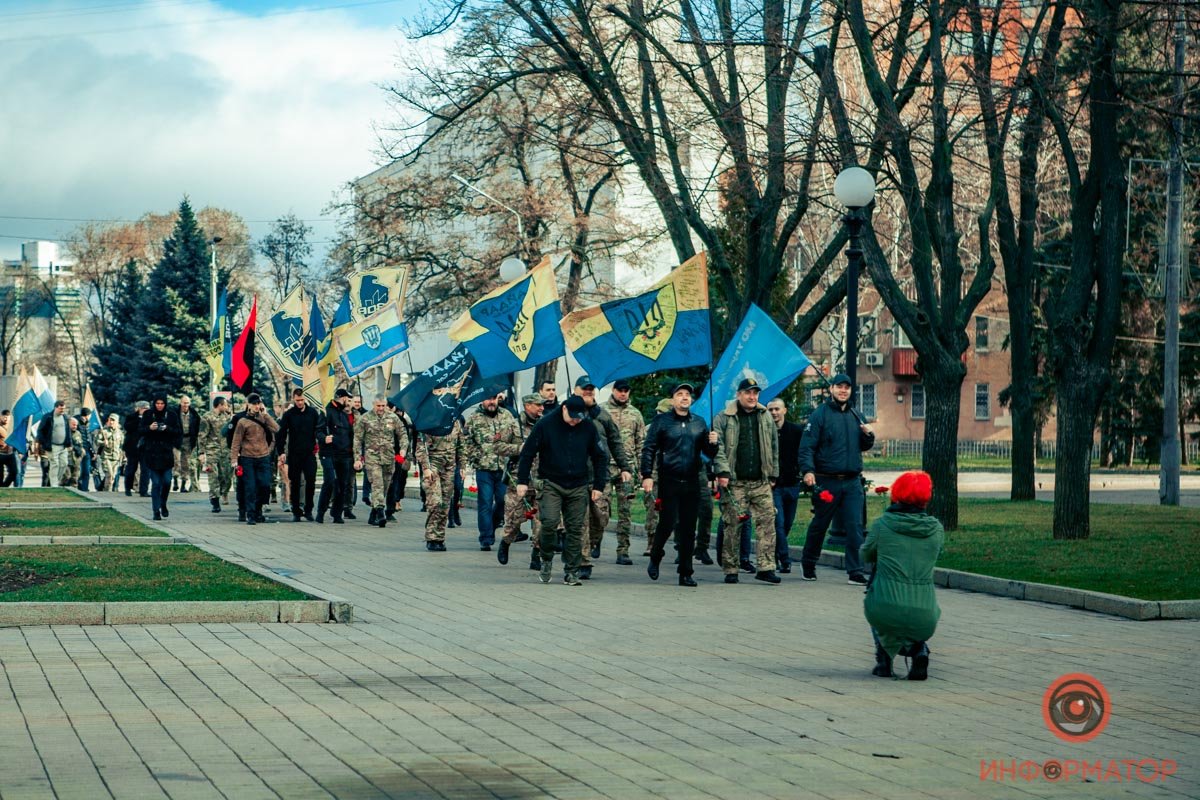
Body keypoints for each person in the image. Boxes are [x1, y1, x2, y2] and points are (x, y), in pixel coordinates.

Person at [516, 395, 607, 586]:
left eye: (579, 418)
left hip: (578, 484)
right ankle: (546, 559)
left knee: (575, 529)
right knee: (549, 523)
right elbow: (528, 453)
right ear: (564, 409)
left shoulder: (588, 426)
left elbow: (600, 456)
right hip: (551, 482)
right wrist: (522, 481)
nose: (575, 421)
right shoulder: (546, 424)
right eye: (572, 417)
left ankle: (571, 571)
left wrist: (599, 485)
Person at [862, 471, 943, 680]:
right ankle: (919, 650)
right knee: (910, 622)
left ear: (896, 494)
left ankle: (884, 660)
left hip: (885, 606)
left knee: (876, 602)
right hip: (925, 613)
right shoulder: (936, 528)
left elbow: (865, 555)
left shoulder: (882, 524)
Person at [797, 374, 876, 585]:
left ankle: (855, 571)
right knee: (820, 524)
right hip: (827, 481)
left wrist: (869, 435)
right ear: (831, 389)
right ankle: (808, 563)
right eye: (839, 387)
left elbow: (864, 445)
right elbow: (807, 447)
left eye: (846, 388)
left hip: (852, 482)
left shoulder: (856, 415)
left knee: (855, 526)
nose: (843, 391)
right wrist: (808, 470)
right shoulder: (820, 415)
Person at [640, 383, 719, 586]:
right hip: (669, 480)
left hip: (692, 480)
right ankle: (655, 556)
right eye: (680, 394)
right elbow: (649, 448)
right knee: (667, 523)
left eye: (687, 394)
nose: (684, 397)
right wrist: (646, 475)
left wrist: (713, 443)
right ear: (673, 399)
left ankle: (685, 572)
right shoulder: (662, 421)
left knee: (688, 527)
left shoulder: (699, 422)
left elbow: (708, 453)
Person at [713, 378, 782, 585]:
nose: (752, 397)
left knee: (767, 523)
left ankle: (766, 567)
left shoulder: (765, 415)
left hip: (761, 481)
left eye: (755, 393)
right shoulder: (724, 417)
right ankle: (731, 568)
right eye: (748, 393)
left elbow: (773, 445)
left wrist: (773, 474)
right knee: (733, 525)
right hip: (735, 482)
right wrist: (722, 472)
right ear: (739, 394)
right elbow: (718, 448)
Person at [575, 375, 633, 580]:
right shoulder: (567, 414)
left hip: (600, 476)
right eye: (584, 389)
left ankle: (592, 543)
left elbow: (616, 442)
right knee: (581, 520)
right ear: (576, 390)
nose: (588, 392)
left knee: (601, 518)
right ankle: (583, 561)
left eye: (591, 389)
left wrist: (625, 467)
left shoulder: (603, 416)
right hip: (576, 477)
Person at [463, 391, 519, 551]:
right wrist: (476, 456)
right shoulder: (474, 418)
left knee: (502, 501)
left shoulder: (507, 416)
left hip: (503, 467)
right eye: (488, 399)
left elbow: (516, 437)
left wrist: (514, 452)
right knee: (485, 503)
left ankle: (493, 525)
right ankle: (486, 538)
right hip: (484, 468)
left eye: (494, 398)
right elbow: (466, 442)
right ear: (482, 400)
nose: (491, 402)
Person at [602, 379, 645, 565]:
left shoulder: (635, 414)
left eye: (626, 391)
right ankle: (595, 539)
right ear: (613, 390)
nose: (623, 394)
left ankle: (623, 550)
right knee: (600, 508)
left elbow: (641, 443)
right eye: (620, 390)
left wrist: (643, 469)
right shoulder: (602, 411)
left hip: (627, 468)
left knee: (625, 511)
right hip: (605, 466)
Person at [496, 394, 541, 567]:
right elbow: (497, 446)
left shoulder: (545, 425)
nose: (541, 408)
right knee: (514, 520)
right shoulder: (513, 425)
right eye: (538, 405)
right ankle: (506, 542)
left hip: (540, 480)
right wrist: (518, 448)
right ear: (528, 405)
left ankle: (536, 554)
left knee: (541, 522)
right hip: (517, 481)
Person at [353, 396, 408, 528]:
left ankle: (373, 514)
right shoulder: (365, 418)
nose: (381, 408)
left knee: (385, 486)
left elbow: (403, 434)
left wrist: (403, 449)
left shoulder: (393, 418)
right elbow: (357, 439)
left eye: (383, 405)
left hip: (389, 458)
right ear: (373, 405)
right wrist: (357, 458)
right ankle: (380, 513)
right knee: (377, 483)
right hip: (372, 457)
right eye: (378, 406)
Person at [230, 393, 279, 525]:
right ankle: (251, 515)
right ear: (249, 405)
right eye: (254, 404)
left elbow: (276, 429)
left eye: (258, 404)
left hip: (263, 457)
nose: (257, 406)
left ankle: (258, 510)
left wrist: (266, 414)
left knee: (264, 485)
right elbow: (236, 441)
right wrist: (234, 459)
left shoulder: (264, 418)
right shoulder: (242, 421)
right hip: (247, 458)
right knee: (250, 487)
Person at [767, 397, 803, 573]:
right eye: (771, 410)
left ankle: (774, 553)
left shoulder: (796, 431)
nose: (774, 412)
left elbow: (804, 452)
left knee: (787, 523)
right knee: (778, 523)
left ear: (784, 410)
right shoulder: (765, 432)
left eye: (777, 409)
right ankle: (785, 559)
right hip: (774, 486)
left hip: (793, 484)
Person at [416, 421, 462, 549]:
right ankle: (431, 537)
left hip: (449, 467)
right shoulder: (430, 422)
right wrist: (426, 468)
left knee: (445, 504)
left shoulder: (455, 423)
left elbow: (461, 445)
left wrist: (463, 466)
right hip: (433, 466)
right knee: (435, 502)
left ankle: (440, 537)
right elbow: (421, 448)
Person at [277, 389, 321, 522]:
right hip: (294, 454)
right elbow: (281, 434)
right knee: (295, 483)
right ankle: (296, 510)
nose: (300, 403)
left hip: (309, 453)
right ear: (293, 399)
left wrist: (319, 444)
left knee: (311, 482)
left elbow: (319, 430)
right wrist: (281, 452)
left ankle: (308, 510)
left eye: (302, 400)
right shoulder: (289, 414)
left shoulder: (313, 413)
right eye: (297, 400)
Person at [139, 396, 180, 520]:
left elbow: (178, 431)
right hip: (152, 453)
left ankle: (163, 503)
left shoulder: (171, 415)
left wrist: (167, 428)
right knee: (156, 483)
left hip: (166, 454)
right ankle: (156, 510)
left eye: (162, 403)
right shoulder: (148, 414)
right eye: (157, 403)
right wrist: (149, 428)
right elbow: (140, 430)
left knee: (167, 482)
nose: (160, 405)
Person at [317, 388, 354, 524]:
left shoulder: (344, 415)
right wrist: (324, 438)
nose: (348, 402)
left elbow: (350, 434)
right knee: (330, 481)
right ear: (341, 398)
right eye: (347, 399)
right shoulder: (326, 412)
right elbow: (318, 431)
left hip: (344, 454)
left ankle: (337, 513)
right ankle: (321, 512)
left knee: (342, 485)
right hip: (329, 453)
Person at [199, 396, 233, 512]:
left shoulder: (227, 417)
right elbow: (202, 435)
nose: (227, 407)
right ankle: (215, 501)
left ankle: (224, 492)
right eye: (225, 405)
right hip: (212, 451)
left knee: (226, 476)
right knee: (213, 477)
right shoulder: (207, 417)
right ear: (220, 405)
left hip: (225, 451)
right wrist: (201, 452)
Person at [35, 400, 71, 487]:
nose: (62, 410)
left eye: (63, 409)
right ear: (55, 408)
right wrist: (44, 444)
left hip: (63, 446)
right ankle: (54, 485)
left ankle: (55, 481)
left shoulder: (65, 417)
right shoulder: (48, 417)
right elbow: (40, 431)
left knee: (64, 464)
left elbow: (68, 431)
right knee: (55, 464)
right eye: (61, 409)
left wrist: (69, 443)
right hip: (52, 446)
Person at [123, 400, 150, 496]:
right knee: (131, 469)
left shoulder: (151, 418)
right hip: (132, 448)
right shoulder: (131, 417)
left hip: (145, 447)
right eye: (144, 408)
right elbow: (128, 427)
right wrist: (140, 418)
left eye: (147, 409)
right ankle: (128, 488)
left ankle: (144, 491)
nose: (146, 410)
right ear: (139, 409)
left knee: (146, 470)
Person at [175, 395, 201, 493]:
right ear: (180, 403)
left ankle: (183, 484)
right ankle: (175, 480)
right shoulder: (175, 413)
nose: (185, 405)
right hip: (177, 440)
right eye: (184, 403)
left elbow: (198, 427)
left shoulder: (194, 414)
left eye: (187, 403)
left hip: (189, 440)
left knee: (186, 463)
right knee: (176, 461)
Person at [92, 413, 124, 492]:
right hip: (106, 457)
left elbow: (122, 445)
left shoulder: (120, 433)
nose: (111, 422)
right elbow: (97, 441)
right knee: (109, 475)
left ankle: (104, 489)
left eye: (113, 420)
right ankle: (107, 492)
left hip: (116, 458)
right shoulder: (104, 431)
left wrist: (123, 456)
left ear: (117, 422)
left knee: (113, 477)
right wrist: (103, 442)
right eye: (110, 420)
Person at [74, 408, 94, 492]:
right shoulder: (76, 423)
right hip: (78, 451)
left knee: (86, 471)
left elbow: (90, 438)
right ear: (87, 415)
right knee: (77, 471)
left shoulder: (88, 424)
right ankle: (78, 487)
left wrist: (93, 452)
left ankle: (84, 488)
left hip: (87, 451)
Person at [0, 409, 17, 487]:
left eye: (7, 417)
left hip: (10, 453)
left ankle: (4, 487)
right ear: (1, 417)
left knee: (14, 472)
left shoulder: (12, 427)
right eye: (4, 417)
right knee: (0, 475)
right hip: (0, 453)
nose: (5, 418)